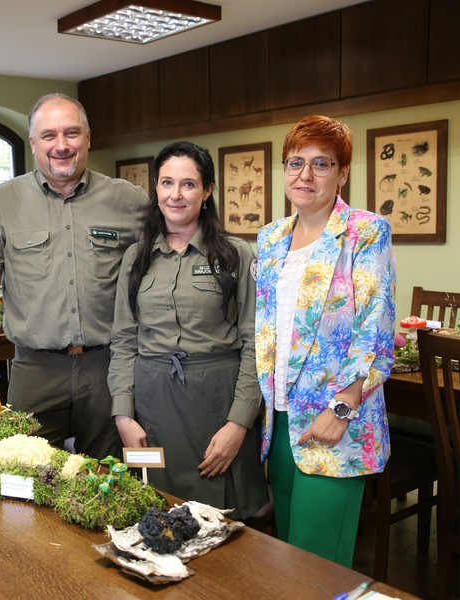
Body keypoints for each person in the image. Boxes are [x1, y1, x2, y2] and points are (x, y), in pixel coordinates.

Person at [0, 93, 149, 460]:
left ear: (88, 138)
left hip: (109, 369)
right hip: (35, 370)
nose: (61, 145)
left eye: (71, 133)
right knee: (23, 476)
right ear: (33, 143)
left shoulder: (129, 201)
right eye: (49, 136)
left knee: (106, 478)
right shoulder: (1, 202)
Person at [254, 115, 396, 567]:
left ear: (343, 172)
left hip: (336, 422)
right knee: (287, 558)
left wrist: (342, 408)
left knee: (318, 566)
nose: (305, 175)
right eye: (296, 163)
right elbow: (265, 329)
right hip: (278, 419)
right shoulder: (271, 238)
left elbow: (375, 326)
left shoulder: (366, 231)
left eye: (321, 163)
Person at [108, 141, 268, 518]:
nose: (175, 195)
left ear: (208, 191)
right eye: (166, 183)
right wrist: (122, 414)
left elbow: (257, 343)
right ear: (156, 189)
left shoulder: (236, 254)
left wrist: (239, 423)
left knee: (222, 520)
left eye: (188, 184)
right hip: (152, 409)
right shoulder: (136, 257)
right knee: (156, 514)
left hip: (217, 405)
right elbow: (123, 339)